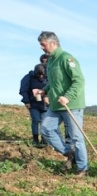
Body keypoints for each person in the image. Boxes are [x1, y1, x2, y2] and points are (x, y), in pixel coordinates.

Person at [33, 31, 88, 177]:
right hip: (56, 105)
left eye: (43, 44)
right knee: (46, 129)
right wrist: (43, 91)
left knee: (76, 137)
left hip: (72, 105)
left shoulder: (66, 58)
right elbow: (53, 83)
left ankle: (82, 168)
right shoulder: (50, 61)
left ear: (53, 43)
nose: (41, 47)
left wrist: (68, 97)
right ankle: (69, 154)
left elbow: (79, 81)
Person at [19, 63, 48, 147]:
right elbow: (23, 90)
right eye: (39, 75)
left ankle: (44, 140)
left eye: (43, 75)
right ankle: (35, 140)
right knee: (36, 120)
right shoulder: (28, 78)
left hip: (45, 104)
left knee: (45, 122)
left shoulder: (49, 78)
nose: (41, 77)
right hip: (33, 104)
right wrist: (26, 101)